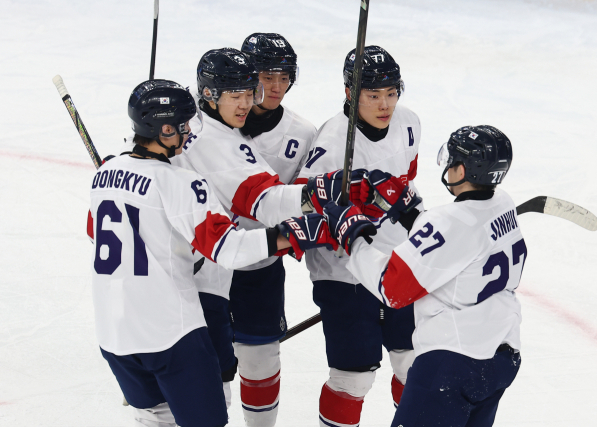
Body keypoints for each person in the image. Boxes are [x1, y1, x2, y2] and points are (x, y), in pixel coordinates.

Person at [87, 79, 326, 427]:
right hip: (171, 335)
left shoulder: (103, 175)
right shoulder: (181, 183)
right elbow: (229, 250)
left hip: (115, 336)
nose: (188, 134)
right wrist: (293, 234)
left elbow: (97, 232)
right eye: (183, 126)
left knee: (155, 419)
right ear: (164, 128)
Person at [173, 47, 341, 427]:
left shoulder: (188, 121)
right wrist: (327, 200)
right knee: (202, 380)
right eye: (238, 95)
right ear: (210, 94)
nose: (248, 103)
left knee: (238, 366)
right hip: (199, 270)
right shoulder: (217, 138)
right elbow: (265, 200)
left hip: (245, 260)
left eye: (252, 93)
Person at [325, 125, 525, 427]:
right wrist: (409, 214)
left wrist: (353, 239)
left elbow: (392, 288)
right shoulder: (503, 203)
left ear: (462, 170)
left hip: (453, 364)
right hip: (501, 358)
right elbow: (457, 243)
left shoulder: (446, 221)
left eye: (452, 159)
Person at [295, 46, 422, 427]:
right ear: (350, 93)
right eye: (372, 95)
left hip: (397, 262)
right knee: (354, 377)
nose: (385, 104)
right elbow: (302, 209)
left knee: (414, 363)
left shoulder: (410, 123)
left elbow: (407, 187)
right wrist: (343, 205)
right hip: (343, 272)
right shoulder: (332, 143)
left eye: (391, 93)